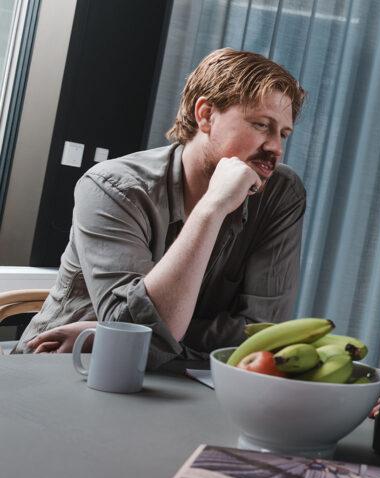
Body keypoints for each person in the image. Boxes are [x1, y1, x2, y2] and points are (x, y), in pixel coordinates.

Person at [14, 48, 307, 369]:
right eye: (262, 125)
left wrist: (115, 332)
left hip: (179, 379)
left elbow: (263, 333)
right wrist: (212, 207)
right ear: (206, 115)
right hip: (63, 365)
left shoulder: (280, 193)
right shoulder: (112, 188)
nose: (276, 148)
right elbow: (134, 332)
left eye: (284, 133)